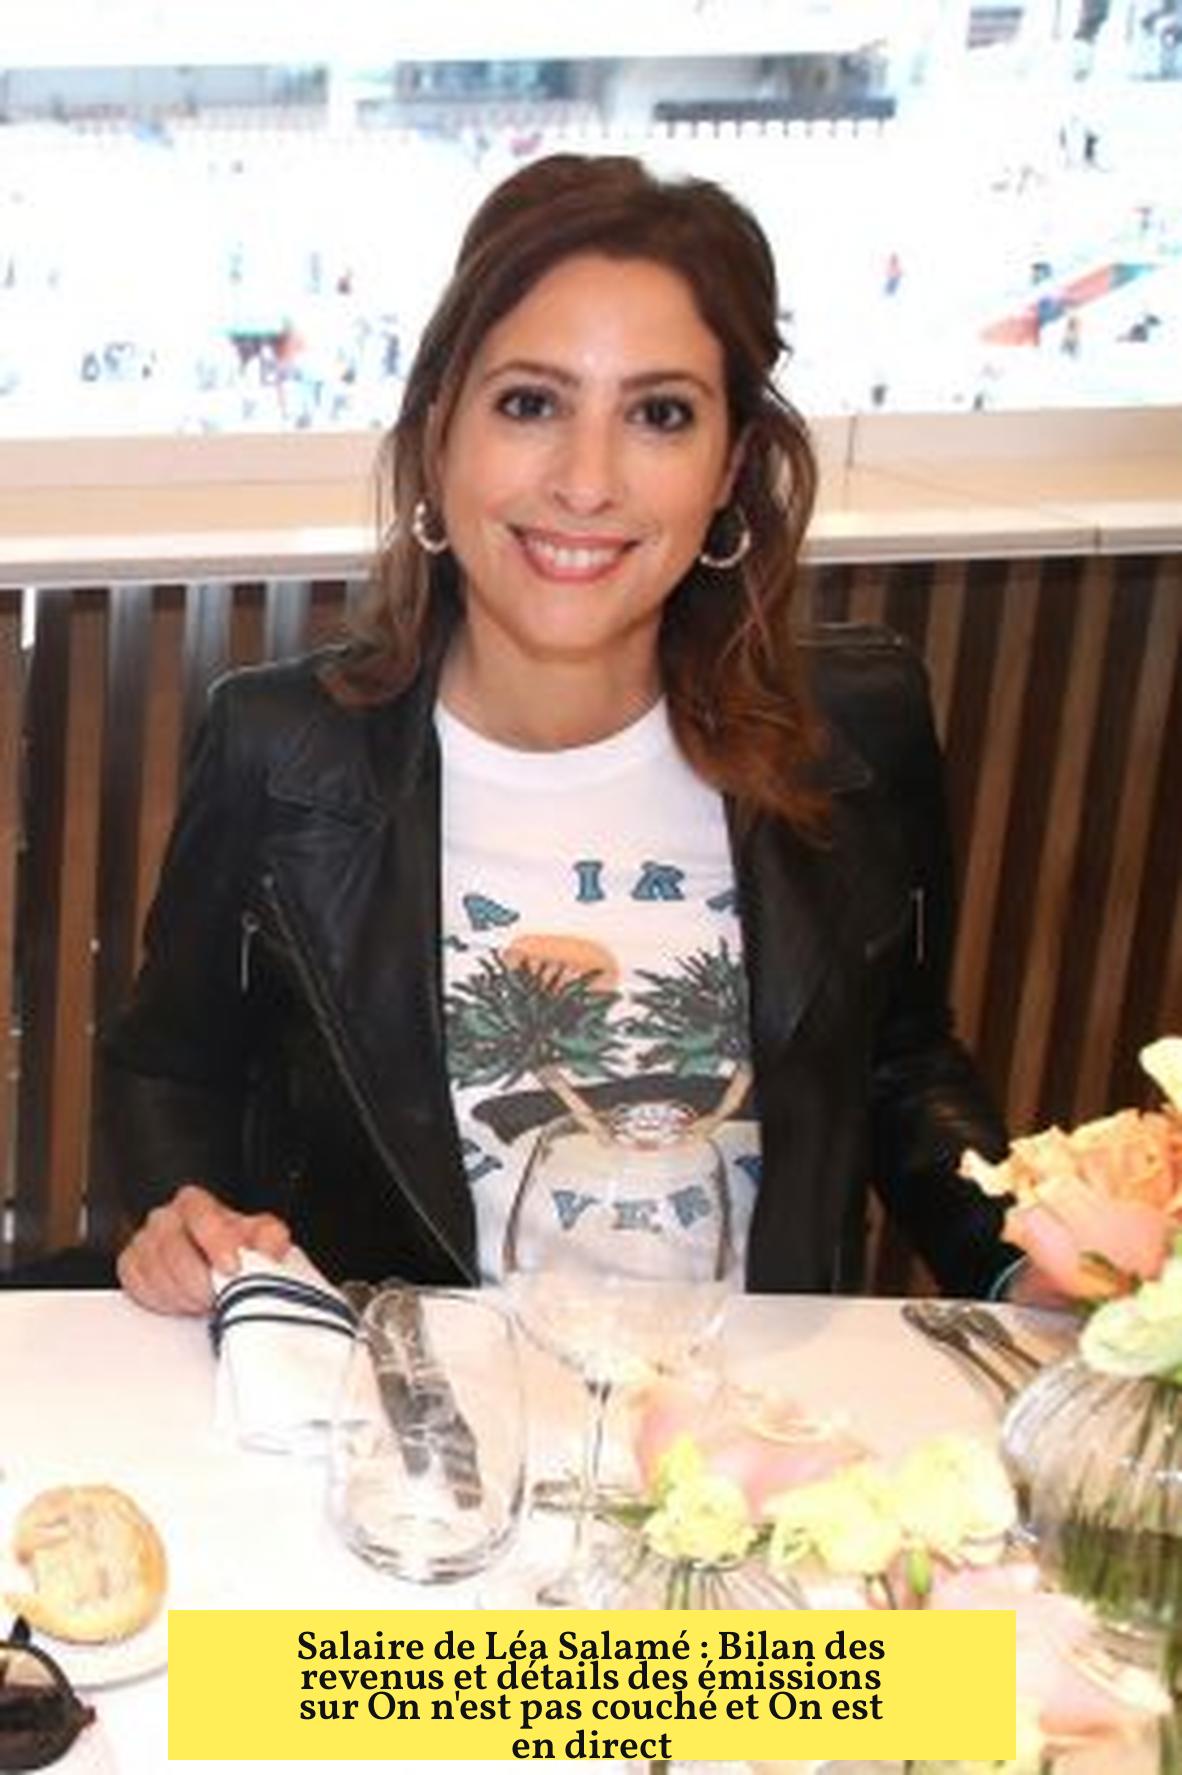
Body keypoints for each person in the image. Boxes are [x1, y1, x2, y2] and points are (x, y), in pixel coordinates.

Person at [107, 153, 1019, 1316]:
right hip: (404, 1411)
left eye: (659, 414)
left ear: (730, 466)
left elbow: (898, 1061)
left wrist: (1023, 1252)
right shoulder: (281, 752)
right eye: (531, 403)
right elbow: (173, 1065)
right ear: (439, 433)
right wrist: (182, 1213)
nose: (587, 482)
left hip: (747, 1414)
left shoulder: (855, 738)